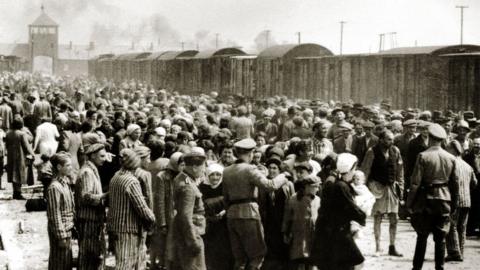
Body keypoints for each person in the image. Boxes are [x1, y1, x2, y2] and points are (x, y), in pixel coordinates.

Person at [222, 138, 289, 270]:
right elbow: (270, 185)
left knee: (239, 257)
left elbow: (226, 198)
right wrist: (284, 176)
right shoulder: (250, 169)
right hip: (249, 214)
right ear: (250, 153)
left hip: (232, 215)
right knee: (257, 254)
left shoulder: (227, 171)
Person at [406, 123, 459, 270]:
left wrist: (409, 203)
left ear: (430, 138)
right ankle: (439, 268)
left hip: (425, 200)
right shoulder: (451, 158)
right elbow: (455, 185)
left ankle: (417, 268)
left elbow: (415, 183)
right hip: (444, 200)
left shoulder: (423, 156)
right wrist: (454, 205)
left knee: (422, 236)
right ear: (441, 140)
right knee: (440, 238)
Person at [310, 153, 366, 270]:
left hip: (329, 232)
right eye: (354, 168)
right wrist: (362, 215)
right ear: (349, 169)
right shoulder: (341, 186)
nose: (354, 171)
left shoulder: (335, 182)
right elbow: (352, 208)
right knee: (350, 264)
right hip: (337, 233)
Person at [108, 149, 156, 270]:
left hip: (116, 226)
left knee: (123, 262)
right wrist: (152, 219)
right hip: (128, 228)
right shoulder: (131, 181)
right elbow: (141, 207)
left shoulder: (116, 176)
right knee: (125, 264)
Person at [361, 130, 404, 257]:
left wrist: (400, 187)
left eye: (392, 139)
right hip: (377, 188)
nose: (391, 142)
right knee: (378, 217)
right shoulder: (371, 152)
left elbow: (400, 171)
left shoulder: (395, 151)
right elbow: (365, 170)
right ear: (381, 140)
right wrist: (365, 190)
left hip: (391, 188)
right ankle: (378, 247)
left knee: (394, 218)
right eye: (388, 139)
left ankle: (392, 246)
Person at [171, 150, 207, 270]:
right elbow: (186, 217)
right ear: (195, 167)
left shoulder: (182, 178)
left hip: (183, 233)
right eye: (203, 167)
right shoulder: (188, 187)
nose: (204, 170)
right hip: (191, 234)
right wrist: (193, 242)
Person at [75, 143, 108, 270]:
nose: (104, 159)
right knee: (88, 255)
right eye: (102, 156)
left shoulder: (92, 169)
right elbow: (86, 196)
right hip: (88, 219)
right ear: (93, 156)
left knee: (92, 254)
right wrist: (104, 196)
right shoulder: (87, 172)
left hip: (92, 218)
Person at [445, 140, 477, 261]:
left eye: (448, 148)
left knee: (451, 226)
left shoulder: (451, 164)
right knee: (462, 227)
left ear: (453, 149)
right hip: (467, 200)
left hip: (454, 200)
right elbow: (474, 183)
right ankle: (461, 252)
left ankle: (454, 252)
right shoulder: (468, 166)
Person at [151, 152, 183, 270]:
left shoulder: (184, 176)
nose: (183, 167)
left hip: (179, 216)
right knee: (165, 247)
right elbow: (159, 201)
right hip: (168, 217)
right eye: (181, 164)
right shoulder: (162, 176)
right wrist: (162, 222)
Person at [199, 163, 233, 270]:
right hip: (209, 223)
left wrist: (223, 212)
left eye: (218, 174)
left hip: (224, 222)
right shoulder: (202, 187)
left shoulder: (226, 186)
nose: (215, 177)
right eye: (212, 175)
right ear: (208, 175)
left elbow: (230, 202)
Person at [282, 175, 321, 270]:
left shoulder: (318, 199)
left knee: (311, 260)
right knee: (299, 259)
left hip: (312, 234)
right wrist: (285, 232)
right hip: (298, 234)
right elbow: (287, 217)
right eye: (315, 186)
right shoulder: (294, 199)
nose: (318, 189)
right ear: (307, 186)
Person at [46, 152, 75, 270]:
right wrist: (61, 236)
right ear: (59, 167)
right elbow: (54, 214)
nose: (71, 168)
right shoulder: (55, 187)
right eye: (68, 165)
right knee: (59, 263)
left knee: (66, 263)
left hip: (67, 228)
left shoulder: (65, 183)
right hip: (61, 231)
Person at [5, 117, 35, 199]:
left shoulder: (8, 133)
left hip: (11, 156)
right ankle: (18, 193)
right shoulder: (22, 134)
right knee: (19, 173)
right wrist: (32, 154)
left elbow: (6, 145)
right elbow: (26, 146)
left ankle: (15, 192)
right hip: (20, 155)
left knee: (12, 173)